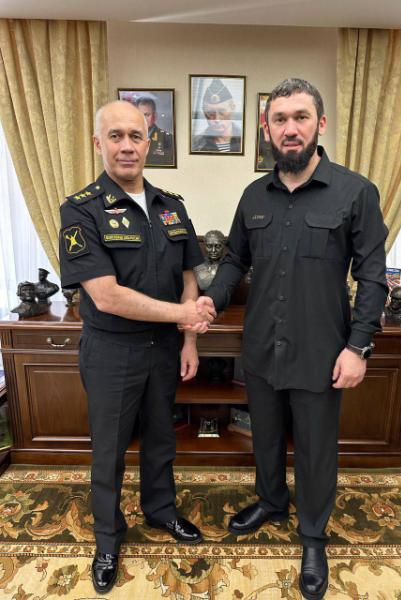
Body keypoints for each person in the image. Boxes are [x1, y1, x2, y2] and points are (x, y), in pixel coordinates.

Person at [201, 78, 388, 600]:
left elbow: (372, 276)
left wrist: (358, 346)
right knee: (263, 436)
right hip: (262, 345)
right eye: (279, 119)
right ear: (267, 128)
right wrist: (212, 299)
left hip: (322, 350)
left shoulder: (356, 192)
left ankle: (312, 536)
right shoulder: (253, 195)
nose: (290, 128)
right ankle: (270, 501)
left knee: (314, 449)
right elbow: (234, 259)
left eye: (300, 117)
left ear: (319, 124)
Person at [59, 100, 216, 594]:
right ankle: (108, 539)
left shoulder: (172, 206)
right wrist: (183, 316)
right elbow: (107, 296)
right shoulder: (80, 209)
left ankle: (160, 510)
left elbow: (189, 276)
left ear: (149, 144)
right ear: (98, 143)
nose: (126, 146)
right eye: (116, 136)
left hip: (164, 349)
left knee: (161, 438)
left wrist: (188, 340)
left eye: (135, 136)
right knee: (108, 450)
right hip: (111, 351)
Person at [191, 79, 242, 153]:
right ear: (204, 112)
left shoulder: (246, 139)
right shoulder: (195, 144)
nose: (217, 119)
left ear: (232, 109)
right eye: (210, 113)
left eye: (222, 112)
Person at [135, 96, 174, 166]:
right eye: (139, 115)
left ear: (155, 116)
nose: (143, 119)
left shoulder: (168, 139)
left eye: (146, 115)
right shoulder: (130, 138)